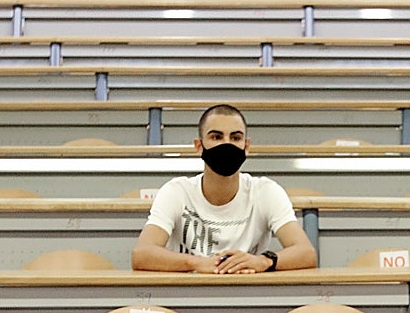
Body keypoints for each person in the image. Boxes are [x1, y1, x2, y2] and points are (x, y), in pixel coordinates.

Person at [131, 104, 317, 274]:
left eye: (235, 138)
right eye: (216, 137)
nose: (227, 144)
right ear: (199, 146)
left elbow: (306, 253)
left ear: (246, 146)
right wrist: (196, 263)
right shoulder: (176, 192)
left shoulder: (265, 191)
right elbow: (142, 254)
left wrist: (263, 261)